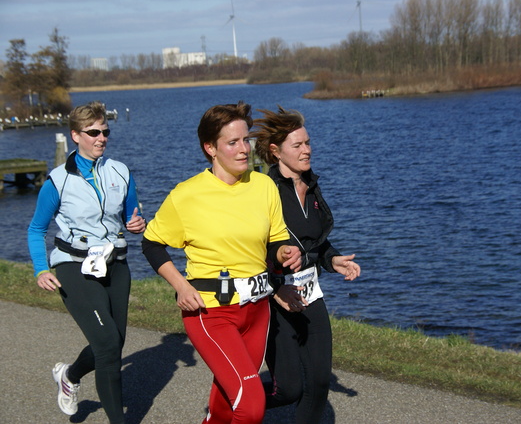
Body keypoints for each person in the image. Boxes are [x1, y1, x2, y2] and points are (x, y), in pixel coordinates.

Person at [141, 101, 302, 424]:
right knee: (252, 404)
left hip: (257, 311)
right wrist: (180, 285)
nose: (244, 149)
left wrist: (285, 253)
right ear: (210, 148)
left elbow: (277, 241)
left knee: (228, 405)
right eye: (233, 143)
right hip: (211, 312)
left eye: (246, 140)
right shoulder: (187, 195)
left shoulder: (263, 185)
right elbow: (151, 243)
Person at [27, 101, 147, 424]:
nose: (102, 138)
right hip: (73, 266)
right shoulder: (57, 181)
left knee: (113, 343)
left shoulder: (120, 172)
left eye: (105, 131)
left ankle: (69, 375)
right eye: (93, 132)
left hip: (116, 265)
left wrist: (139, 224)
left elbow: (132, 217)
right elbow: (36, 229)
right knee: (108, 343)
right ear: (75, 135)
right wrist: (41, 268)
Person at [253, 106, 361, 424]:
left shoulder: (311, 185)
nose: (307, 150)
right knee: (288, 390)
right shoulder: (264, 191)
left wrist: (332, 259)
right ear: (276, 151)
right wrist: (277, 272)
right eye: (297, 145)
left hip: (309, 294)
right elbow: (248, 251)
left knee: (317, 385)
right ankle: (232, 402)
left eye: (308, 143)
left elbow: (312, 241)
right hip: (275, 298)